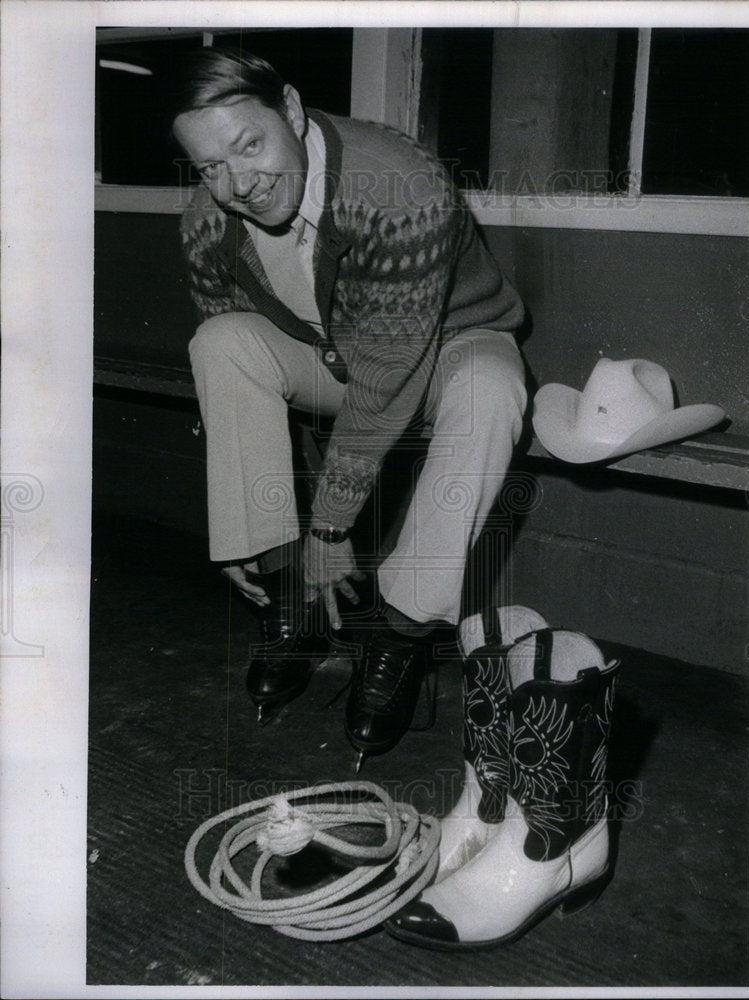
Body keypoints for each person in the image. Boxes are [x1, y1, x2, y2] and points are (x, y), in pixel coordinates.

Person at [171, 46, 528, 767]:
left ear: (294, 112)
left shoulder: (400, 189)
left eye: (250, 145)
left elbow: (391, 372)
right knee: (220, 341)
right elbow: (246, 360)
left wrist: (329, 527)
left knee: (492, 390)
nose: (237, 183)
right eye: (210, 167)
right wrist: (274, 538)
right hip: (333, 357)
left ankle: (397, 636)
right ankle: (291, 609)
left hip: (451, 349)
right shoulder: (209, 221)